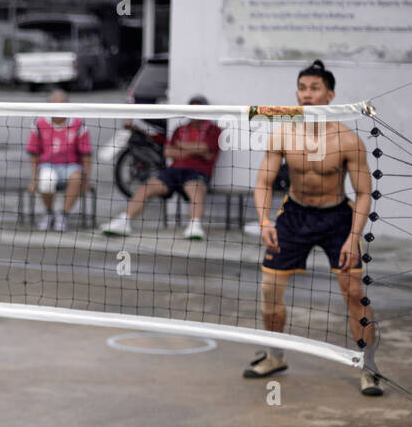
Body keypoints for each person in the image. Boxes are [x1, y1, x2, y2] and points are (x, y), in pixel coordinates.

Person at [242, 60, 381, 396]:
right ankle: (275, 356)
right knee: (269, 289)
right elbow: (263, 182)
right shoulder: (283, 132)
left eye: (315, 88)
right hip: (294, 216)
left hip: (337, 219)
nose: (307, 94)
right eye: (302, 88)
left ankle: (370, 367)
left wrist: (353, 237)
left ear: (330, 94)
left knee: (354, 293)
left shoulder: (348, 140)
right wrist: (264, 220)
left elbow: (364, 193)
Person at [101, 95, 221, 240]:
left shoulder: (213, 130)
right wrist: (195, 150)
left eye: (199, 109)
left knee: (196, 191)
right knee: (147, 187)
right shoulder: (181, 129)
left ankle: (195, 226)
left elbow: (205, 150)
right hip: (174, 171)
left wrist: (182, 147)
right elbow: (168, 152)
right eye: (192, 109)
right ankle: (124, 221)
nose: (195, 113)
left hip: (197, 172)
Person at [26, 89, 90, 231]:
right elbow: (34, 153)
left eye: (62, 103)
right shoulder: (39, 123)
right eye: (54, 104)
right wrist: (34, 177)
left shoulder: (78, 124)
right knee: (46, 180)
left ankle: (63, 215)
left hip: (71, 165)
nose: (58, 108)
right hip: (48, 165)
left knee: (76, 178)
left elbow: (86, 154)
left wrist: (87, 178)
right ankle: (49, 214)